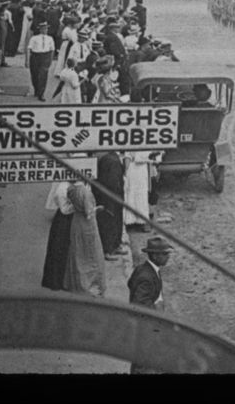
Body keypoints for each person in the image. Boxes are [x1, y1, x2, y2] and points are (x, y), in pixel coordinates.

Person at [128, 237, 175, 374]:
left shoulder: (143, 269)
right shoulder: (146, 277)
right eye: (165, 254)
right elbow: (140, 305)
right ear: (154, 255)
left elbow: (130, 283)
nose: (168, 257)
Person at [64, 180, 107, 298]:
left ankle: (77, 284)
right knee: (90, 253)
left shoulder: (71, 189)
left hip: (76, 221)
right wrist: (97, 209)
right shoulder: (85, 192)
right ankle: (88, 285)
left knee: (77, 251)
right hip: (87, 225)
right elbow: (88, 213)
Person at [41, 181, 74, 291]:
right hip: (64, 221)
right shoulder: (62, 187)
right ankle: (56, 281)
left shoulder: (71, 185)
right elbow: (64, 209)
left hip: (68, 219)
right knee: (59, 249)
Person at [94, 151, 128, 260]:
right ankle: (108, 250)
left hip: (112, 194)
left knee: (116, 221)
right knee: (109, 221)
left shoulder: (110, 156)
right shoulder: (110, 159)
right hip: (110, 195)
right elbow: (112, 181)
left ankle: (115, 245)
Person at [124, 151, 158, 231]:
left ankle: (141, 221)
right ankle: (130, 221)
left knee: (142, 195)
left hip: (142, 170)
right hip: (132, 170)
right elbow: (129, 157)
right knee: (131, 194)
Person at [25, 20, 56, 100]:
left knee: (43, 75)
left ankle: (41, 93)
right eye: (43, 29)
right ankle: (36, 89)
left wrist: (50, 60)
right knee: (35, 74)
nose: (45, 30)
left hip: (45, 57)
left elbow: (52, 50)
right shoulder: (34, 38)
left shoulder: (50, 38)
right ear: (40, 29)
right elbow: (29, 49)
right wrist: (27, 60)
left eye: (46, 29)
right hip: (35, 56)